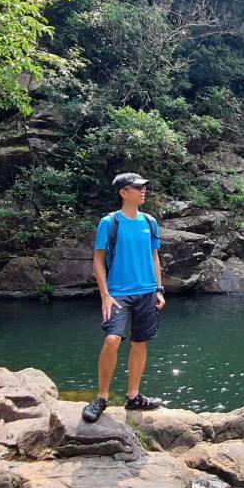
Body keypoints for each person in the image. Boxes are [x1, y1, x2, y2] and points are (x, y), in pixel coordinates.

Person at [82, 172, 167, 423]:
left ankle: (133, 397)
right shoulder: (110, 222)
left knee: (140, 343)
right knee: (112, 341)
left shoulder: (150, 222)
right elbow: (98, 259)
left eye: (144, 187)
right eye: (137, 188)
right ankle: (101, 398)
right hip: (118, 294)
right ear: (123, 192)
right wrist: (105, 294)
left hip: (147, 292)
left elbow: (155, 257)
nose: (143, 191)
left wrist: (159, 289)